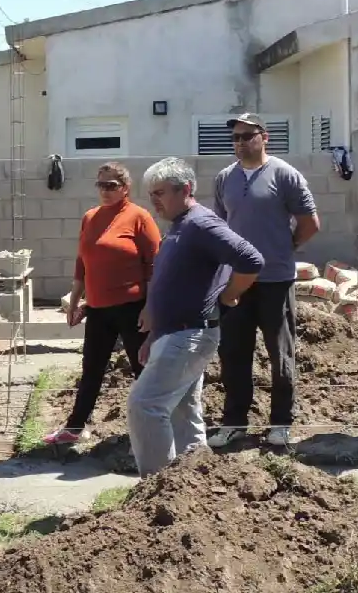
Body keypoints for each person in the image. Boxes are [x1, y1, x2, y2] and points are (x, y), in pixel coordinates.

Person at [126, 158, 264, 477]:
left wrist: (230, 295)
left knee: (145, 405)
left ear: (186, 189)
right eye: (151, 194)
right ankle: (194, 488)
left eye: (160, 192)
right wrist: (153, 334)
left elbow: (251, 259)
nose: (154, 201)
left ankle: (157, 489)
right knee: (182, 414)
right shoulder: (180, 227)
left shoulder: (202, 223)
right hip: (173, 334)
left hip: (189, 335)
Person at [207, 113, 319, 449]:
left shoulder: (285, 175)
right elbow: (220, 227)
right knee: (234, 353)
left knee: (280, 353)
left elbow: (310, 223)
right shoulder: (225, 178)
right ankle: (235, 422)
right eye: (236, 138)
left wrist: (286, 247)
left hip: (275, 280)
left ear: (264, 137)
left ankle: (281, 423)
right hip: (236, 282)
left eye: (247, 136)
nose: (240, 143)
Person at [45, 162, 161, 446]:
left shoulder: (139, 217)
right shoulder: (90, 217)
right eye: (101, 185)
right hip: (97, 309)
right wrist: (74, 302)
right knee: (91, 369)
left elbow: (156, 265)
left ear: (125, 188)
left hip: (133, 307)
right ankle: (74, 427)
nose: (106, 190)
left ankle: (152, 430)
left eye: (112, 185)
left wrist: (150, 308)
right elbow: (81, 264)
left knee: (143, 369)